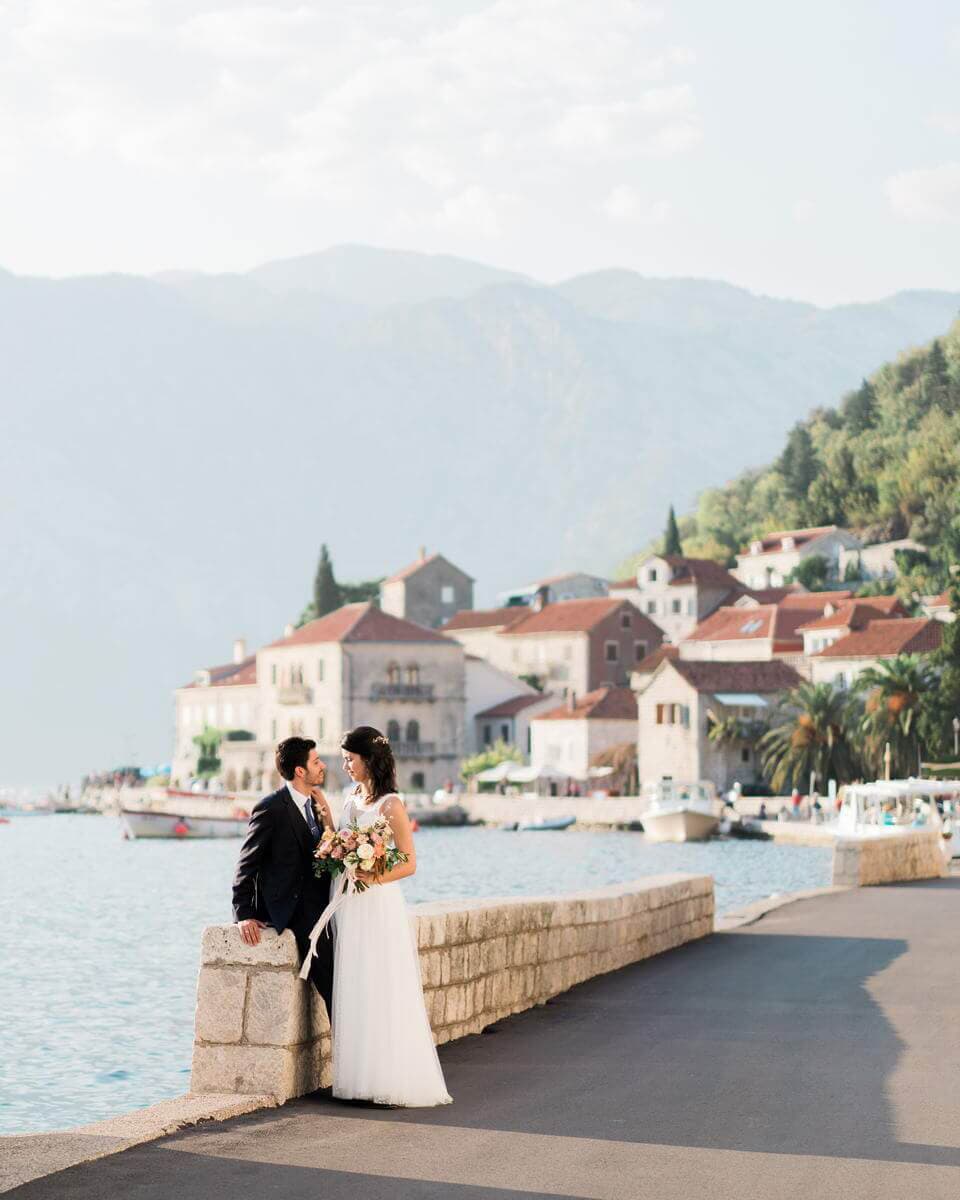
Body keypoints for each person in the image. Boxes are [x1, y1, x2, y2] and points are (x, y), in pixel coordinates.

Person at [327, 724, 451, 1107]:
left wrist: (372, 874)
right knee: (355, 983)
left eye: (350, 759)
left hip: (378, 902)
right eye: (345, 759)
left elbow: (410, 863)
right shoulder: (350, 799)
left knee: (381, 984)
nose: (346, 765)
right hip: (350, 902)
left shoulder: (391, 805)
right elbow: (340, 840)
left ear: (369, 759)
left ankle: (389, 1079)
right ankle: (357, 1080)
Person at [231, 737, 335, 1021]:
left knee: (343, 986)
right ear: (300, 771)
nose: (322, 765)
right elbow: (246, 864)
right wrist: (244, 914)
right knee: (335, 988)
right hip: (295, 913)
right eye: (316, 761)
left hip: (323, 907)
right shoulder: (271, 808)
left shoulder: (315, 804)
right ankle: (349, 1062)